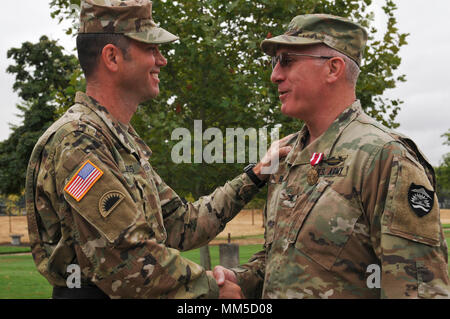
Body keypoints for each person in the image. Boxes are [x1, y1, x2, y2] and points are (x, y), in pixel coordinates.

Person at [25, 0, 291, 299]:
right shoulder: (78, 141)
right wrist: (216, 291)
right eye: (151, 49)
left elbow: (183, 224)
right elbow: (128, 259)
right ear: (112, 57)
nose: (161, 60)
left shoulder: (118, 141)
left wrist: (256, 174)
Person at [213, 13, 450, 299]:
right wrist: (239, 279)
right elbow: (284, 258)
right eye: (274, 63)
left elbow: (419, 289)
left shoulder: (385, 158)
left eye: (286, 61)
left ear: (333, 69)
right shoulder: (286, 155)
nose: (274, 75)